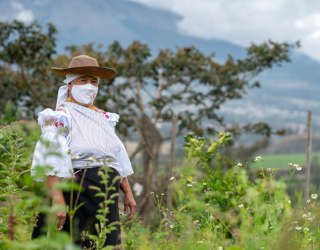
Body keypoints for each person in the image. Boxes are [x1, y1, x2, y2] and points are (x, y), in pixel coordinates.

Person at [30, 55, 136, 248]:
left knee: (103, 243)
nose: (89, 86)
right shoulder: (61, 116)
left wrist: (127, 191)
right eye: (83, 80)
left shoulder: (104, 118)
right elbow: (49, 159)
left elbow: (115, 156)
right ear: (70, 84)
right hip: (77, 192)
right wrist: (58, 200)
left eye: (93, 81)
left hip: (106, 193)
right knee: (75, 243)